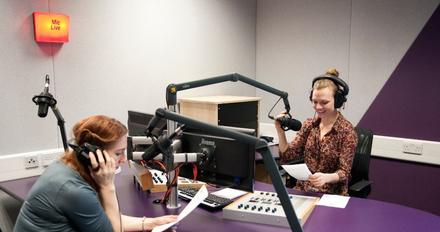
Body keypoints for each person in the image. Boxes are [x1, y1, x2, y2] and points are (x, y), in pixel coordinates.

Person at [14, 115, 177, 231]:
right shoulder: (73, 190)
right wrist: (107, 187)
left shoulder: (69, 166)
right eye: (118, 153)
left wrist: (150, 223)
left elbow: (106, 220)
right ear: (92, 154)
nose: (123, 159)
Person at [275, 68, 358, 195]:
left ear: (338, 101)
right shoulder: (309, 125)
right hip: (304, 190)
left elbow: (344, 172)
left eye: (324, 102)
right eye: (315, 102)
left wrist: (326, 177)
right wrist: (280, 132)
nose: (318, 107)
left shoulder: (347, 132)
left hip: (331, 194)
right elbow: (287, 156)